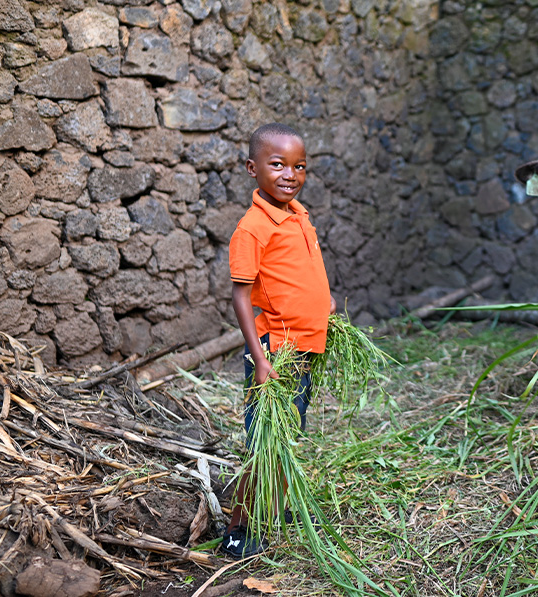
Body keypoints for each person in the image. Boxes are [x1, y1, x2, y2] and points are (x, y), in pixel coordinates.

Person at [222, 123, 335, 558]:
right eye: (278, 165)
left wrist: (322, 299)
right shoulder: (253, 228)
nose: (291, 174)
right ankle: (239, 527)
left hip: (305, 346)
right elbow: (241, 293)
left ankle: (275, 503)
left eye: (299, 166)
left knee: (288, 434)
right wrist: (259, 356)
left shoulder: (298, 213)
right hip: (275, 352)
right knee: (264, 441)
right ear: (253, 168)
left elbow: (304, 269)